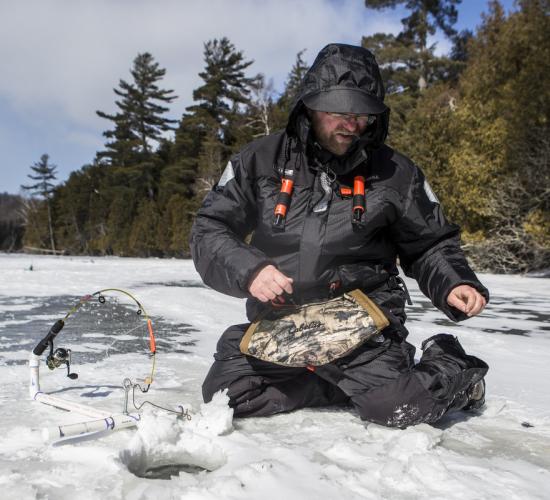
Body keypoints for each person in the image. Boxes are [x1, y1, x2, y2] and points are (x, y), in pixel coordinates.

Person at [190, 43, 489, 428]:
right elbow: (210, 228)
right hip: (286, 319)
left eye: (361, 114)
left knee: (401, 410)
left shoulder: (397, 173)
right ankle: (334, 383)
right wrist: (250, 270)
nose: (351, 124)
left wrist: (453, 282)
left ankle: (449, 361)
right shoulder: (259, 160)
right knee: (227, 398)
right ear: (311, 107)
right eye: (338, 112)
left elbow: (429, 242)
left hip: (363, 320)